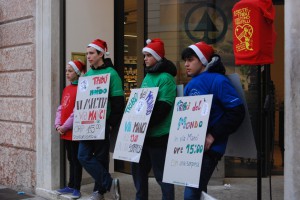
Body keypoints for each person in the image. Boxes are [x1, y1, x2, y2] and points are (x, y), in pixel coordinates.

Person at [181, 41, 245, 199]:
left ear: (202, 61)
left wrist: (212, 135)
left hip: (210, 149)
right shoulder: (190, 86)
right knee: (197, 192)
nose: (186, 64)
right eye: (185, 61)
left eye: (190, 60)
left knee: (191, 194)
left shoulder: (218, 81)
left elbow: (237, 112)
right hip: (192, 148)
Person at [77, 38, 125, 200]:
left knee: (101, 157)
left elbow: (119, 103)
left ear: (101, 54)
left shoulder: (112, 74)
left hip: (103, 123)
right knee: (82, 156)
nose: (88, 56)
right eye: (87, 53)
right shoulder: (89, 74)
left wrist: (111, 124)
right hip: (86, 123)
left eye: (91, 53)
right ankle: (109, 183)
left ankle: (99, 192)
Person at [131, 38, 177, 200]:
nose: (145, 59)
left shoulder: (166, 78)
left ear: (158, 57)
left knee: (163, 177)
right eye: (144, 56)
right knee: (138, 175)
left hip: (160, 136)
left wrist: (142, 122)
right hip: (142, 135)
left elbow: (163, 108)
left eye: (148, 55)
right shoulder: (148, 77)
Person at [54, 60, 86, 199]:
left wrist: (65, 126)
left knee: (76, 160)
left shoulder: (82, 89)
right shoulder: (66, 89)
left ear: (77, 73)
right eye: (66, 71)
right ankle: (70, 184)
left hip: (74, 131)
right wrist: (57, 125)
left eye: (70, 71)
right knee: (70, 159)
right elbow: (61, 108)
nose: (67, 73)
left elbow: (76, 111)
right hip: (64, 131)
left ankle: (77, 188)